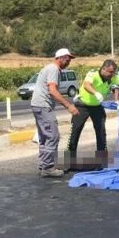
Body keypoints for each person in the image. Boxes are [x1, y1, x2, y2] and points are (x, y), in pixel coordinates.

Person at [67, 59, 119, 166]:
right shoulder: (93, 74)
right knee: (75, 131)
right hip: (82, 105)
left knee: (101, 132)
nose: (112, 74)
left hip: (97, 106)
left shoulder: (112, 77)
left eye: (113, 72)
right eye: (110, 72)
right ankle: (69, 162)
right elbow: (87, 85)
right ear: (104, 69)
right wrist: (95, 93)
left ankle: (101, 161)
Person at [31, 48, 79, 178]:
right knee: (53, 136)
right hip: (43, 105)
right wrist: (68, 105)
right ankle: (48, 168)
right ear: (61, 58)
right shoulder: (53, 69)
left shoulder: (50, 68)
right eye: (67, 59)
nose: (69, 62)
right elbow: (52, 91)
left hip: (38, 105)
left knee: (45, 137)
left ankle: (43, 165)